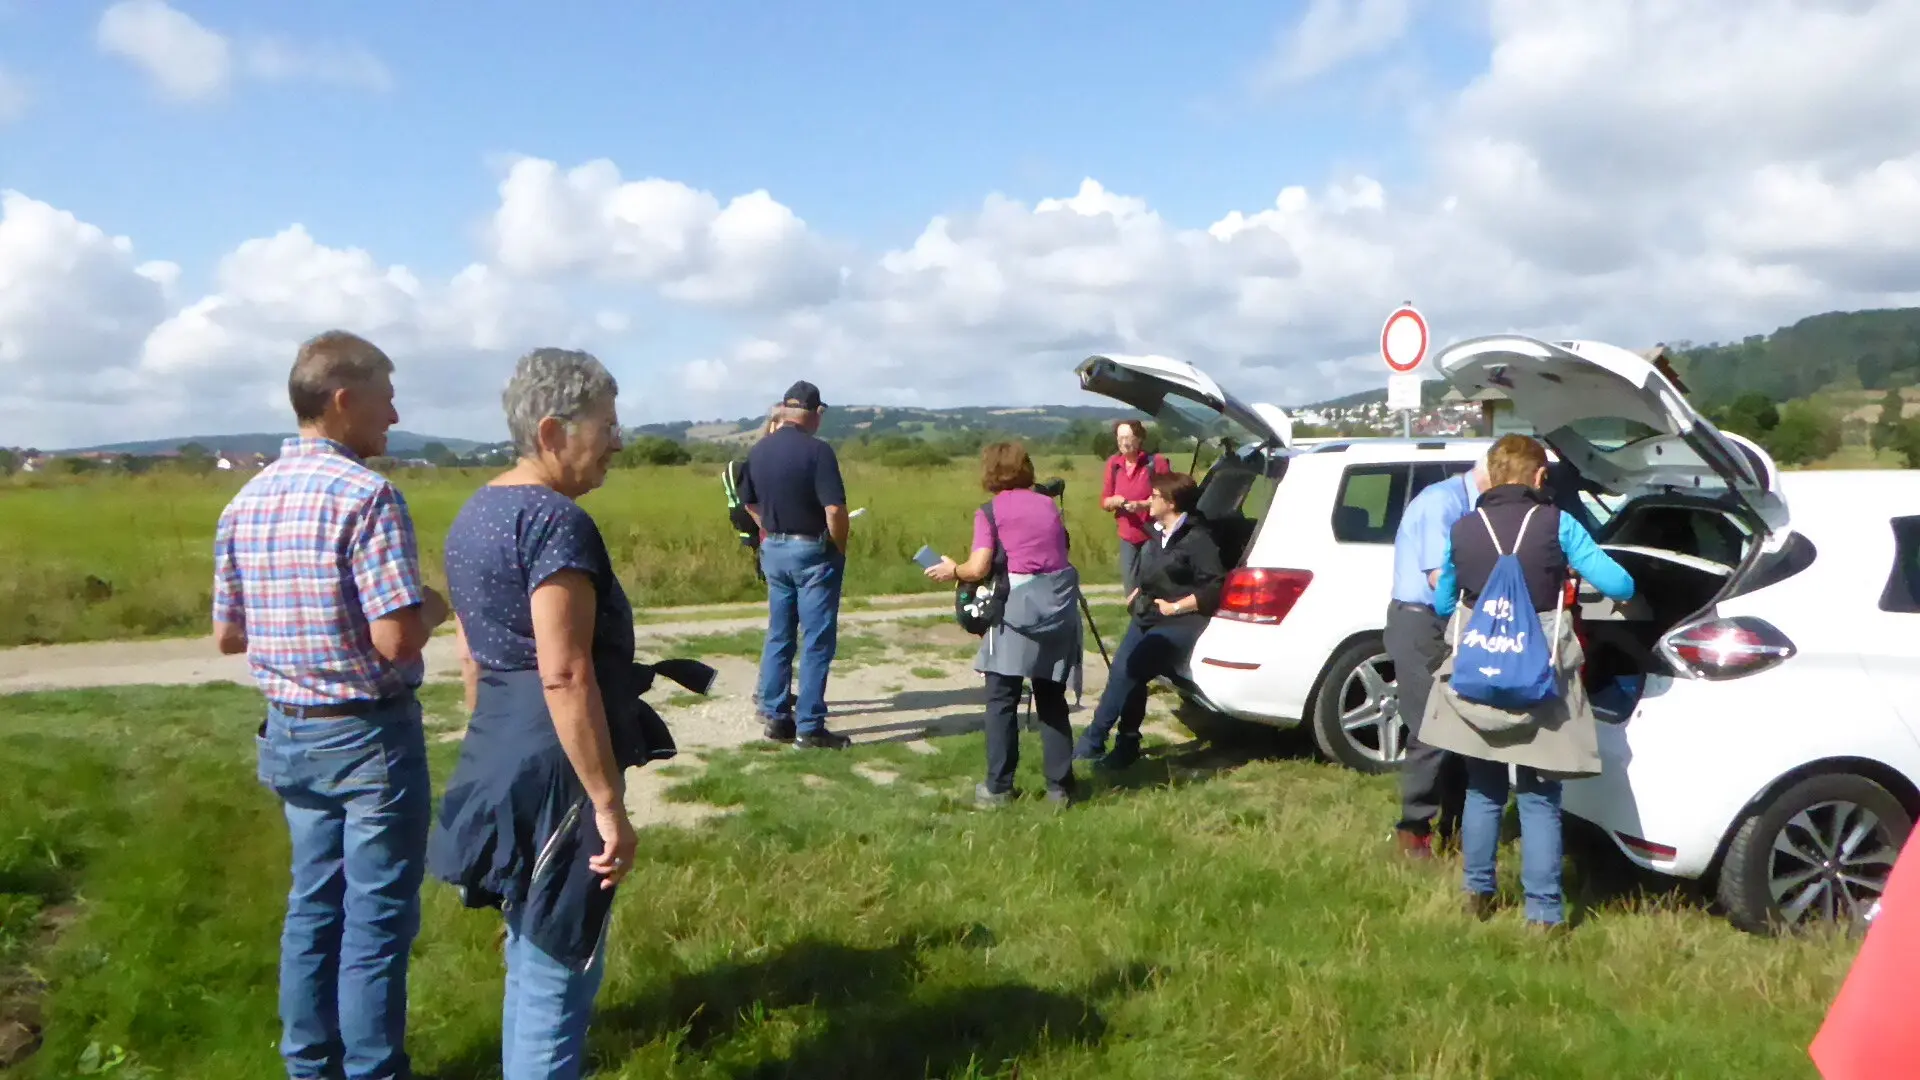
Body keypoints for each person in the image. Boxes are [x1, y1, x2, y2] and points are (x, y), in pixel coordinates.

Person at [211, 329, 448, 1080]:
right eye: (384, 396)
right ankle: (375, 1071)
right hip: (366, 739)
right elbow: (395, 641)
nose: (395, 412)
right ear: (343, 401)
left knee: (313, 909)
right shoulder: (369, 496)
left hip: (288, 731)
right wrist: (433, 607)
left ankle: (309, 1065)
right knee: (375, 924)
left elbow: (227, 634)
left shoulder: (245, 501)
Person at [428, 347, 640, 1079]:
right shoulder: (555, 522)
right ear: (552, 431)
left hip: (500, 743)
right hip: (556, 765)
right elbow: (565, 671)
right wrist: (607, 803)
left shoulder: (476, 512)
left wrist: (492, 744)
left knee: (531, 949)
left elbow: (470, 657)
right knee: (562, 962)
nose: (617, 441)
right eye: (606, 426)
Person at [1421, 434, 1636, 929]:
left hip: (1478, 676)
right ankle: (1542, 913)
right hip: (1542, 678)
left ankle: (1477, 893)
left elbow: (1441, 604)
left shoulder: (1463, 528)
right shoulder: (1559, 526)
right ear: (1541, 477)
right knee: (1539, 798)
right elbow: (1620, 585)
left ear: (1492, 477)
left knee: (1484, 790)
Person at [925, 441, 1084, 807]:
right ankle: (1061, 788)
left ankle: (998, 788)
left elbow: (978, 568)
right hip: (1058, 610)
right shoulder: (1048, 505)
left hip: (1016, 614)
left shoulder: (990, 512)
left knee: (1001, 699)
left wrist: (953, 571)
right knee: (1051, 698)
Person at [1073, 472, 1223, 770]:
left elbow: (1215, 588)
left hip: (1182, 620)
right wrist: (1138, 592)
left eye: (1154, 496)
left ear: (1171, 503)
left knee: (1133, 669)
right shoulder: (1156, 533)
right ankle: (1122, 743)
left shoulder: (1198, 539)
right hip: (1147, 614)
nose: (1148, 500)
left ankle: (1095, 740)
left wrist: (1176, 607)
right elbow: (1152, 571)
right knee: (1122, 672)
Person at [737, 380, 853, 750]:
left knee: (780, 633)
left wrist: (769, 529)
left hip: (775, 549)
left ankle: (775, 715)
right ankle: (810, 726)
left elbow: (749, 503)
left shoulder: (759, 451)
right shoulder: (818, 452)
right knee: (817, 640)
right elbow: (834, 509)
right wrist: (839, 545)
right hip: (812, 550)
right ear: (816, 414)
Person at [1386, 455, 1490, 859]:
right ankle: (1413, 829)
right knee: (1429, 727)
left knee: (1457, 725)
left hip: (1449, 621)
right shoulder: (1440, 503)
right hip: (1421, 622)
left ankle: (1456, 824)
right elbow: (1439, 577)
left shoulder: (1468, 504)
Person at [1099, 419, 1170, 593]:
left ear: (1139, 439)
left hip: (1153, 532)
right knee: (1130, 586)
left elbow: (1169, 496)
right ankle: (1137, 617)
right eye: (1120, 438)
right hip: (1127, 534)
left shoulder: (1156, 462)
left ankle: (1155, 616)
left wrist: (1143, 505)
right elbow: (1104, 501)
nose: (1124, 442)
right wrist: (1115, 501)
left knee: (1150, 583)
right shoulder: (1114, 464)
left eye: (1128, 438)